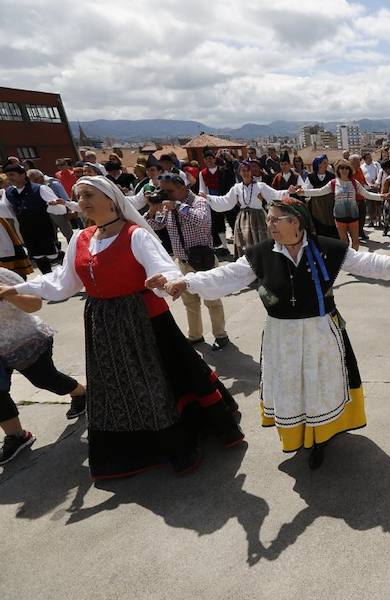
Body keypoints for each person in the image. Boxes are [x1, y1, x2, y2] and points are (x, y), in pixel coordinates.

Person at [0, 176, 243, 479]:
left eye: (89, 194)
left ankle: (176, 439)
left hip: (144, 320)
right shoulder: (81, 238)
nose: (82, 200)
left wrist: (166, 282)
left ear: (111, 200)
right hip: (104, 324)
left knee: (158, 382)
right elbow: (63, 283)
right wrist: (21, 289)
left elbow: (162, 267)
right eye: (79, 195)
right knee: (118, 385)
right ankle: (134, 446)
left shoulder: (135, 235)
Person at [159, 201, 390, 469]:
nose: (269, 224)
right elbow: (227, 275)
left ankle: (320, 438)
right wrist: (187, 281)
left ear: (295, 222)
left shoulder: (326, 248)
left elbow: (365, 262)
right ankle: (299, 435)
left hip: (320, 333)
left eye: (275, 220)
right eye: (269, 219)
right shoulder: (260, 254)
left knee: (319, 386)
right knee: (292, 387)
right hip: (282, 336)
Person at [146, 173, 230, 350]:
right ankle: (195, 336)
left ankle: (221, 335)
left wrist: (178, 206)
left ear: (183, 188)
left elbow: (203, 221)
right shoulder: (167, 206)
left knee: (212, 299)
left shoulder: (198, 202)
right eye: (163, 190)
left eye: (169, 190)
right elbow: (156, 226)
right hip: (183, 262)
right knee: (190, 303)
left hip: (202, 261)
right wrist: (153, 209)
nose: (165, 194)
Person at [0, 266, 87, 429]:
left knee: (45, 380)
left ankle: (80, 392)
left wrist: (8, 294)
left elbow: (35, 304)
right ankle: (16, 436)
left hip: (25, 342)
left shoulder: (3, 275)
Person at [202, 161, 298, 258]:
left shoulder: (260, 186)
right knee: (245, 243)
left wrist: (288, 191)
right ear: (239, 172)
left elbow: (274, 195)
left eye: (247, 170)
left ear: (251, 172)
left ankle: (264, 262)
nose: (245, 172)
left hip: (259, 218)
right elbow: (226, 201)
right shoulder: (237, 188)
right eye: (243, 170)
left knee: (262, 242)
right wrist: (209, 198)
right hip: (243, 220)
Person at [295, 159, 387, 251]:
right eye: (341, 168)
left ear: (350, 170)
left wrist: (382, 197)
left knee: (355, 242)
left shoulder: (355, 183)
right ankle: (346, 260)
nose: (344, 170)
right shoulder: (333, 183)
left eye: (346, 168)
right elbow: (320, 191)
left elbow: (367, 194)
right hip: (339, 217)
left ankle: (353, 260)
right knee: (344, 243)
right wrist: (303, 192)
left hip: (353, 216)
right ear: (338, 170)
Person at [2, 164, 62, 274]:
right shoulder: (8, 192)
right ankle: (47, 280)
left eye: (12, 175)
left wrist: (54, 205)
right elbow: (7, 211)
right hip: (26, 230)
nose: (9, 178)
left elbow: (61, 209)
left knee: (53, 255)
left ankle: (65, 274)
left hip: (44, 228)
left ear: (22, 175)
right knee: (38, 257)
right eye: (7, 175)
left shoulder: (40, 188)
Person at [27, 168, 79, 245]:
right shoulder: (36, 187)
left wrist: (69, 211)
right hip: (47, 214)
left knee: (68, 234)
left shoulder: (54, 184)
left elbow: (65, 198)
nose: (35, 183)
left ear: (41, 177)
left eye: (35, 180)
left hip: (61, 213)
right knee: (52, 236)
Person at [0, 188, 32, 278]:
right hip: (7, 240)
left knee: (14, 270)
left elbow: (11, 221)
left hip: (7, 239)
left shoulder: (1, 205)